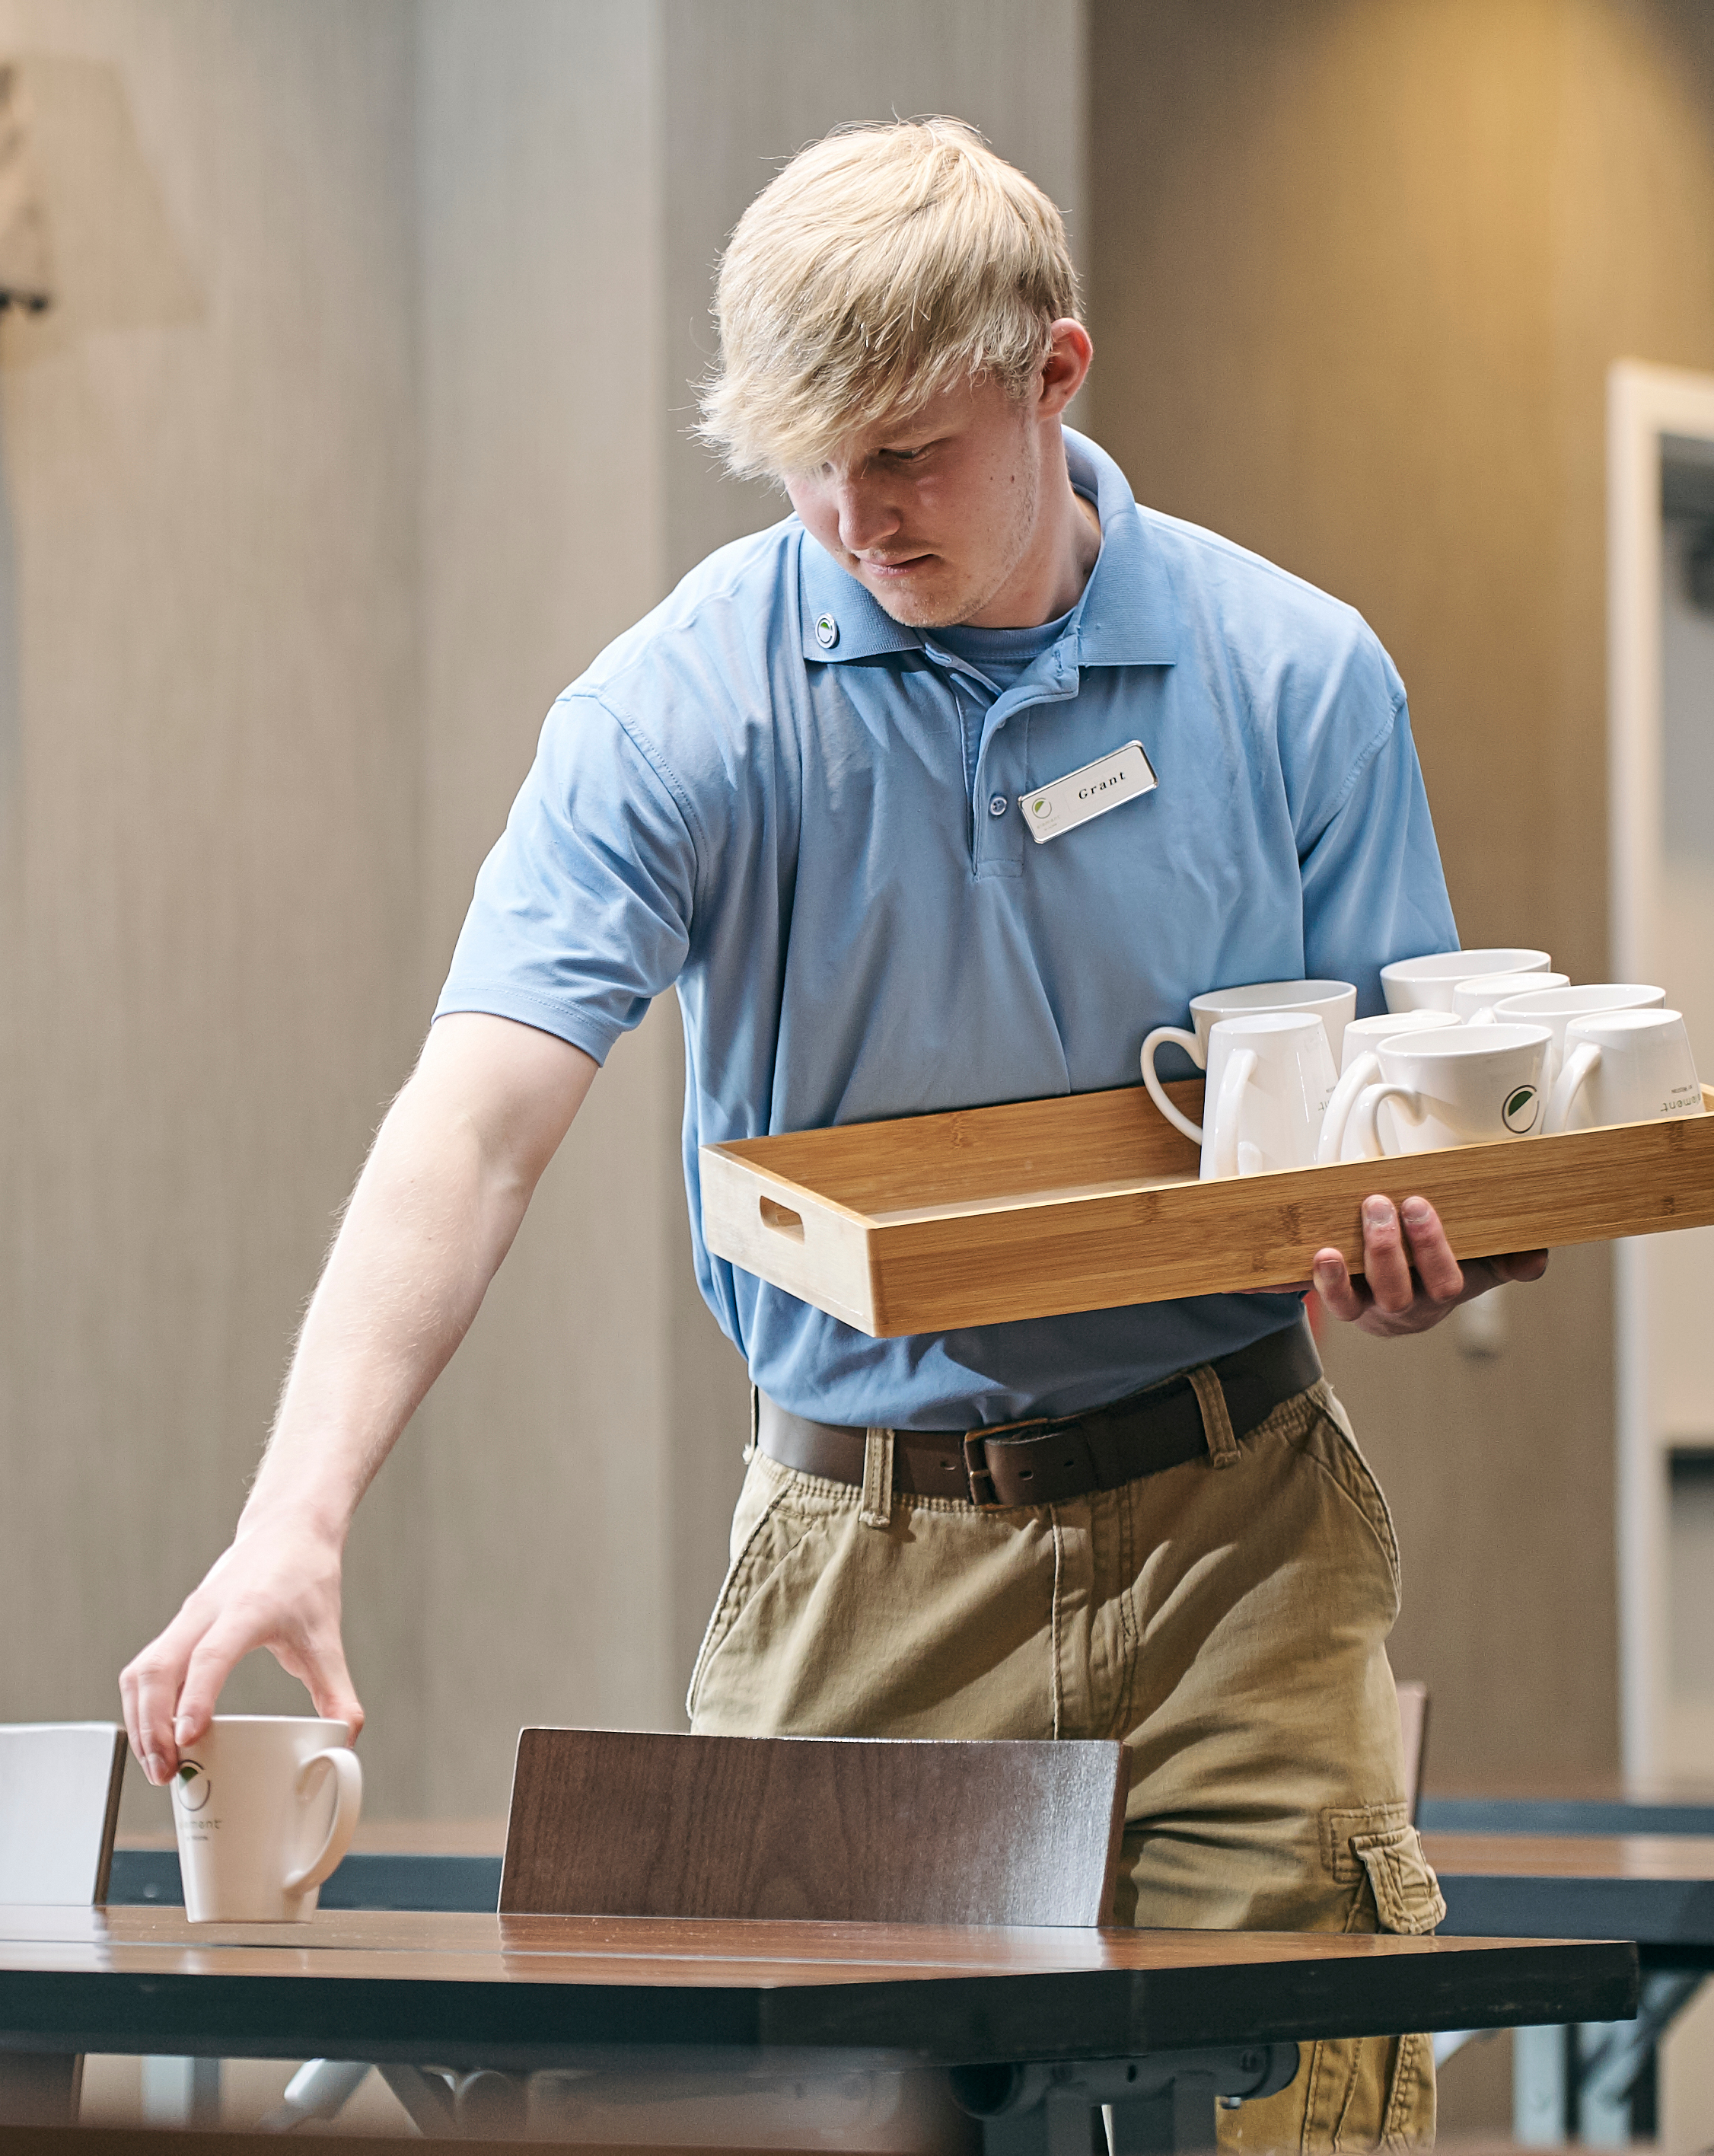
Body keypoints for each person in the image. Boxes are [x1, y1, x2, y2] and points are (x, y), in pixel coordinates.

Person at [120, 116, 1541, 2151]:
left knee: (1304, 2117)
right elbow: (479, 1123)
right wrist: (296, 1515)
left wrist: (1430, 1266)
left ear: (1056, 374)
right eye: (807, 461)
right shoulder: (682, 711)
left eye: (904, 454)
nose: (852, 515)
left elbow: (1429, 1141)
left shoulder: (1299, 680)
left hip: (1240, 1532)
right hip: (858, 1557)